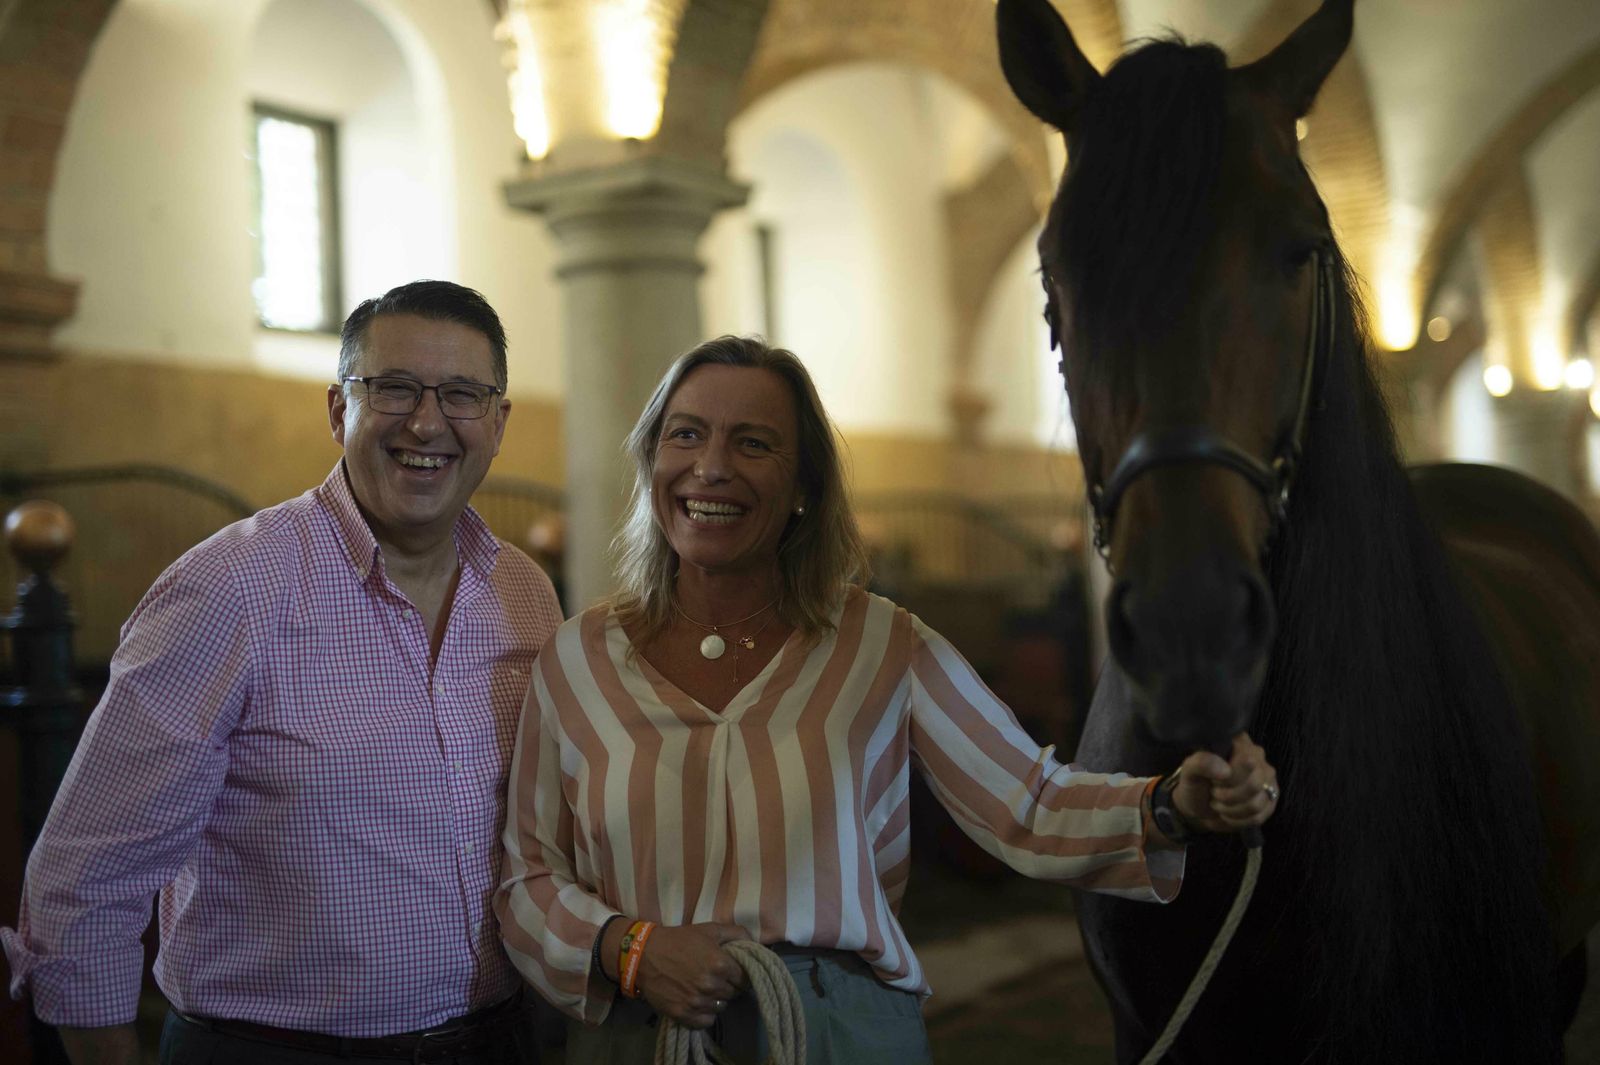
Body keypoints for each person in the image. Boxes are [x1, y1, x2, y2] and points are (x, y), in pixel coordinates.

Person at [494, 336, 1279, 1063]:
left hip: (840, 1032)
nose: (711, 467)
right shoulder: (578, 657)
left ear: (803, 489)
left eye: (753, 443)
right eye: (686, 435)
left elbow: (1030, 801)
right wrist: (629, 948)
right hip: (639, 1034)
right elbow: (527, 876)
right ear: (651, 460)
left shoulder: (883, 644)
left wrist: (1171, 804)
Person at [3, 281, 563, 1065]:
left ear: (497, 422)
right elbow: (85, 878)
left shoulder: (526, 596)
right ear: (339, 409)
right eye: (394, 388)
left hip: (495, 1042)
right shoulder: (230, 588)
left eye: (462, 395)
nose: (426, 422)